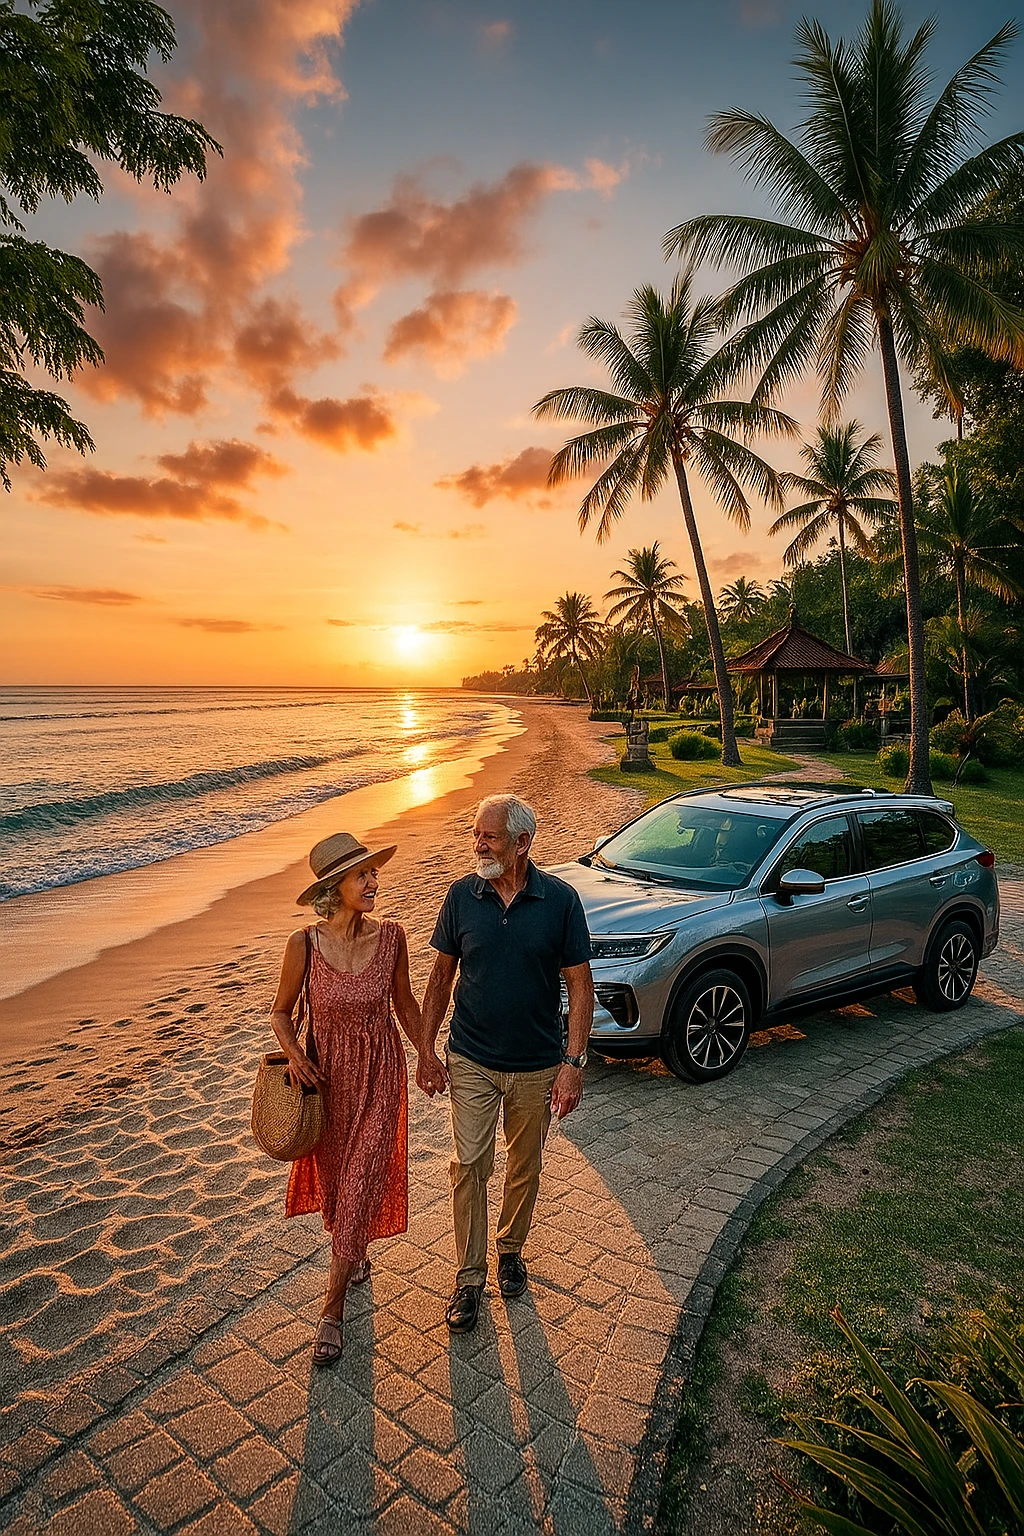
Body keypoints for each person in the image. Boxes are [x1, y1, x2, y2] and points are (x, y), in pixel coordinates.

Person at [417, 793, 594, 1334]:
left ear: (522, 843)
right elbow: (441, 976)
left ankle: (511, 1249)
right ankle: (469, 1278)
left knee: (525, 1166)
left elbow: (580, 985)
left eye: (488, 836)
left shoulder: (560, 901)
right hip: (470, 1056)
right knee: (469, 1164)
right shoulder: (461, 896)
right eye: (476, 834)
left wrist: (573, 1063)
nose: (478, 845)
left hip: (537, 1064)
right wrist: (425, 1049)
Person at [270, 831, 445, 1365]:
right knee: (340, 1189)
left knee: (363, 1177)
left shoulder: (392, 938)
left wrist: (427, 1054)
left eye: (373, 873)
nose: (373, 882)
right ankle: (355, 1249)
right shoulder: (304, 945)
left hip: (381, 1075)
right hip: (327, 1086)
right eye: (361, 875)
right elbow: (280, 1012)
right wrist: (294, 1054)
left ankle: (331, 1310)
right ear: (334, 888)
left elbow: (405, 1003)